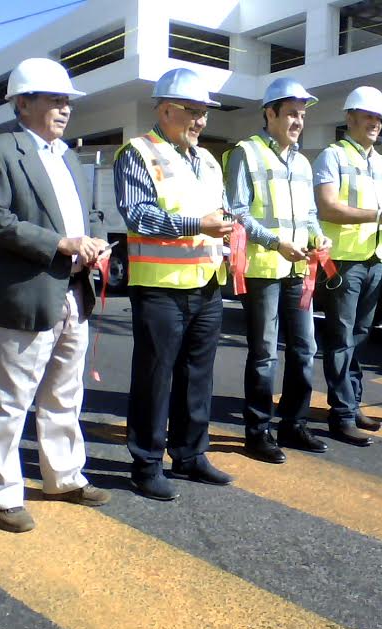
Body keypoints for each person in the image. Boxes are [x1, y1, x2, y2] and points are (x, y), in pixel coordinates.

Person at [0, 58, 111, 533]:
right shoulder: (0, 149)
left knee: (65, 394)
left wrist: (93, 241)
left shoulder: (67, 155)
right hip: (27, 293)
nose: (64, 109)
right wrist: (60, 243)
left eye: (66, 101)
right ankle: (2, 494)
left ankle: (64, 476)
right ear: (23, 103)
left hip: (74, 289)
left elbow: (85, 216)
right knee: (11, 400)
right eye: (54, 100)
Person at [113, 68, 234, 501]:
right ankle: (146, 463)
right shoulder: (137, 153)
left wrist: (229, 235)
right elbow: (138, 215)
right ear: (166, 110)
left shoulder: (208, 160)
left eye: (205, 112)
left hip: (207, 282)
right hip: (161, 287)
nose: (201, 120)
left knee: (197, 376)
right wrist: (197, 225)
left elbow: (221, 213)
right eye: (193, 111)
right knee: (155, 378)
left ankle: (190, 454)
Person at [224, 78, 331, 463]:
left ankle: (294, 424)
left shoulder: (301, 162)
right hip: (264, 270)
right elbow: (237, 212)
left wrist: (318, 236)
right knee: (264, 353)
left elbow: (310, 213)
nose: (298, 121)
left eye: (302, 115)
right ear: (269, 113)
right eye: (291, 114)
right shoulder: (246, 153)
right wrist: (275, 243)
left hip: (298, 269)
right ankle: (258, 433)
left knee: (305, 349)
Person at [313, 86, 382, 447]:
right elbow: (327, 208)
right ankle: (341, 415)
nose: (374, 123)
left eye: (378, 118)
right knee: (341, 338)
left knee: (359, 335)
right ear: (349, 118)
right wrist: (380, 215)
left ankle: (352, 404)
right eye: (368, 116)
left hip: (374, 259)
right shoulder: (332, 156)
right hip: (342, 261)